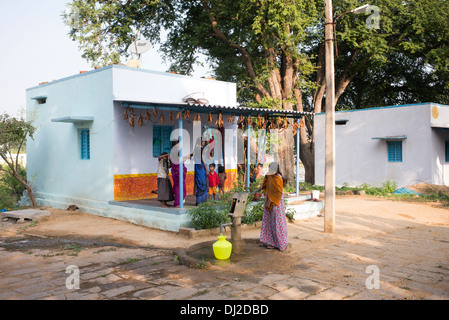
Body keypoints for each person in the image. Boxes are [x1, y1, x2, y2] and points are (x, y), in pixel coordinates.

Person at [251, 162, 288, 251]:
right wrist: (256, 190)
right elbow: (264, 184)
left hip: (276, 202)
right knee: (268, 221)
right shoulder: (269, 175)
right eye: (270, 169)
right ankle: (269, 242)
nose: (270, 170)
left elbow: (278, 192)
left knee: (277, 222)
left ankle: (279, 243)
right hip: (269, 199)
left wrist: (271, 201)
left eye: (272, 169)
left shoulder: (278, 177)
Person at [193, 138, 209, 206]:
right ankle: (202, 202)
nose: (204, 142)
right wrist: (207, 169)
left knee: (198, 182)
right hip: (201, 167)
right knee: (203, 183)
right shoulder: (201, 149)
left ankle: (198, 201)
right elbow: (203, 160)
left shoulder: (195, 149)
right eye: (203, 141)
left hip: (197, 167)